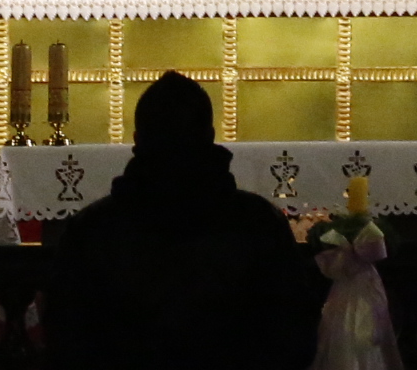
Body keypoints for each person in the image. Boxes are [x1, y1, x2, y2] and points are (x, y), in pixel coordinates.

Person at [43, 73, 315, 369]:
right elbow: (292, 333)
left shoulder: (93, 228)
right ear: (210, 137)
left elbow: (66, 336)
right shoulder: (259, 222)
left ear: (137, 140)